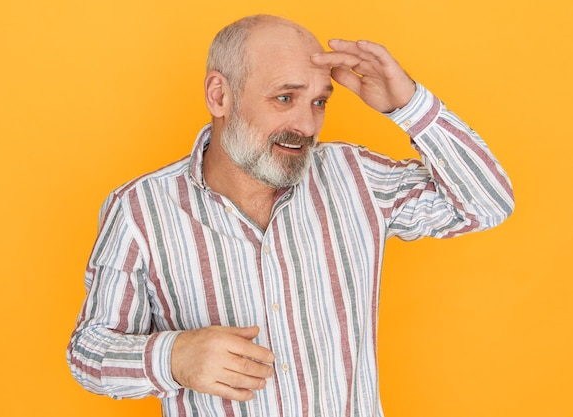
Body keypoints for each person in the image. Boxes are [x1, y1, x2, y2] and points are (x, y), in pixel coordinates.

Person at [67, 14, 514, 417]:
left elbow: (486, 203)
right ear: (220, 95)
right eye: (285, 98)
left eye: (320, 102)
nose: (307, 124)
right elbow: (88, 351)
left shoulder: (357, 178)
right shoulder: (140, 209)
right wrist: (173, 357)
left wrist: (409, 106)